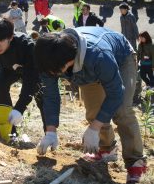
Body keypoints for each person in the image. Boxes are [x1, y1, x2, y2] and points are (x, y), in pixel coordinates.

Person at [34, 27, 147, 183]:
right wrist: (51, 131)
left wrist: (94, 128)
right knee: (94, 111)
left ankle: (135, 161)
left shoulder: (99, 55)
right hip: (88, 70)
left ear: (69, 60)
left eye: (56, 71)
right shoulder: (50, 56)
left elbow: (115, 93)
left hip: (121, 58)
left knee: (122, 110)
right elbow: (51, 96)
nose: (52, 75)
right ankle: (107, 149)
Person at [0, 16, 46, 133]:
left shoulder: (26, 46)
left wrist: (19, 108)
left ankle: (49, 132)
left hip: (30, 69)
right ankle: (10, 131)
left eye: (1, 40)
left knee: (41, 95)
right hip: (7, 68)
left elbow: (31, 78)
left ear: (10, 37)